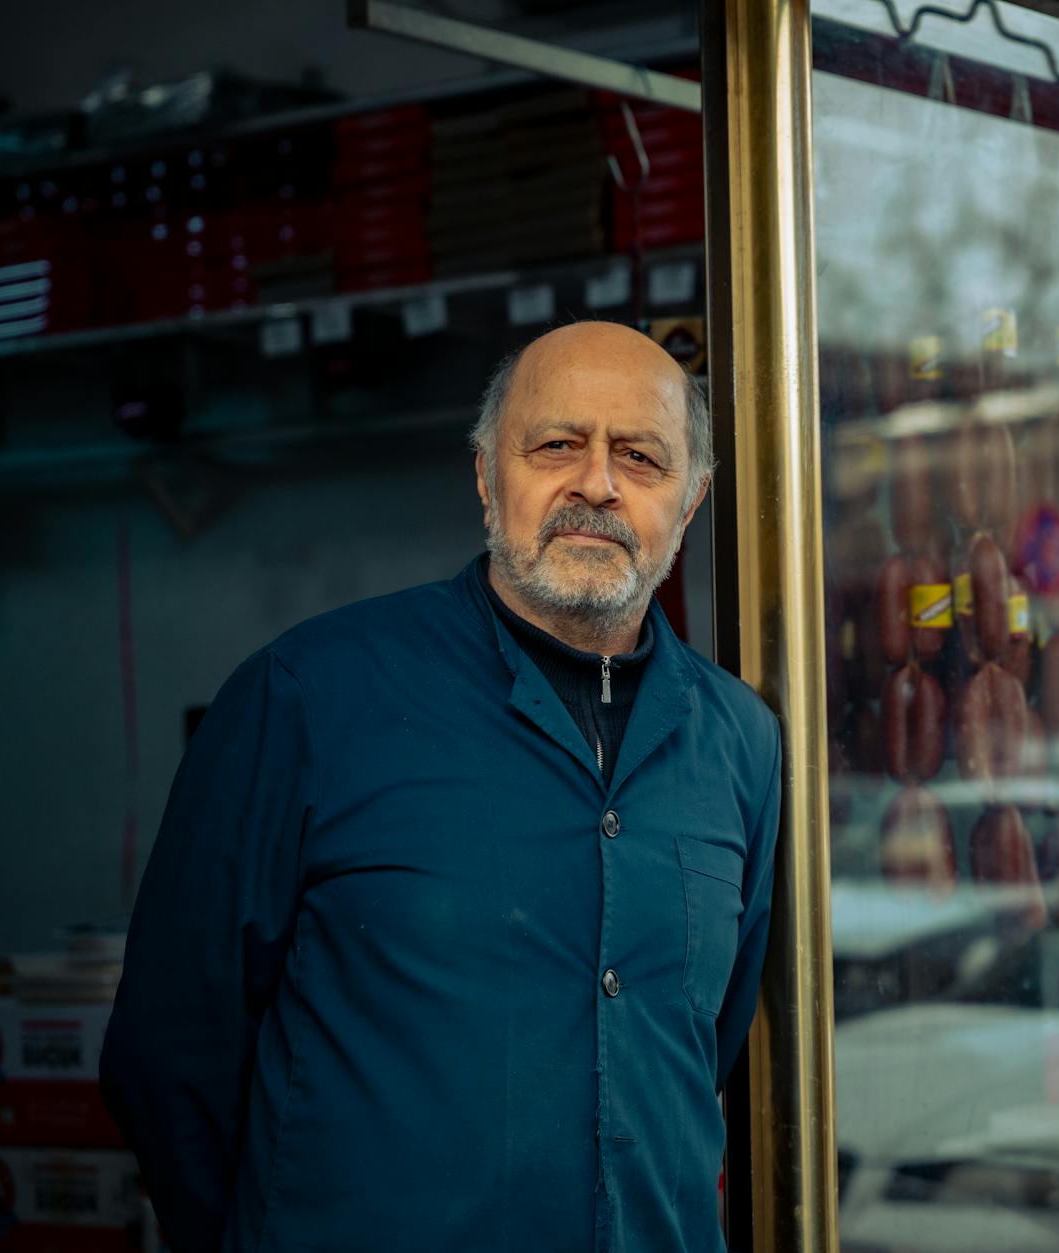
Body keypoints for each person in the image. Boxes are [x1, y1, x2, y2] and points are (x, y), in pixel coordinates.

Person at [100, 322, 782, 1252]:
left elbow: (710, 1043)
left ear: (692, 500)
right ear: (485, 476)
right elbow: (170, 1050)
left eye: (641, 456)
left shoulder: (742, 742)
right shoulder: (307, 699)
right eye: (555, 445)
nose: (597, 482)